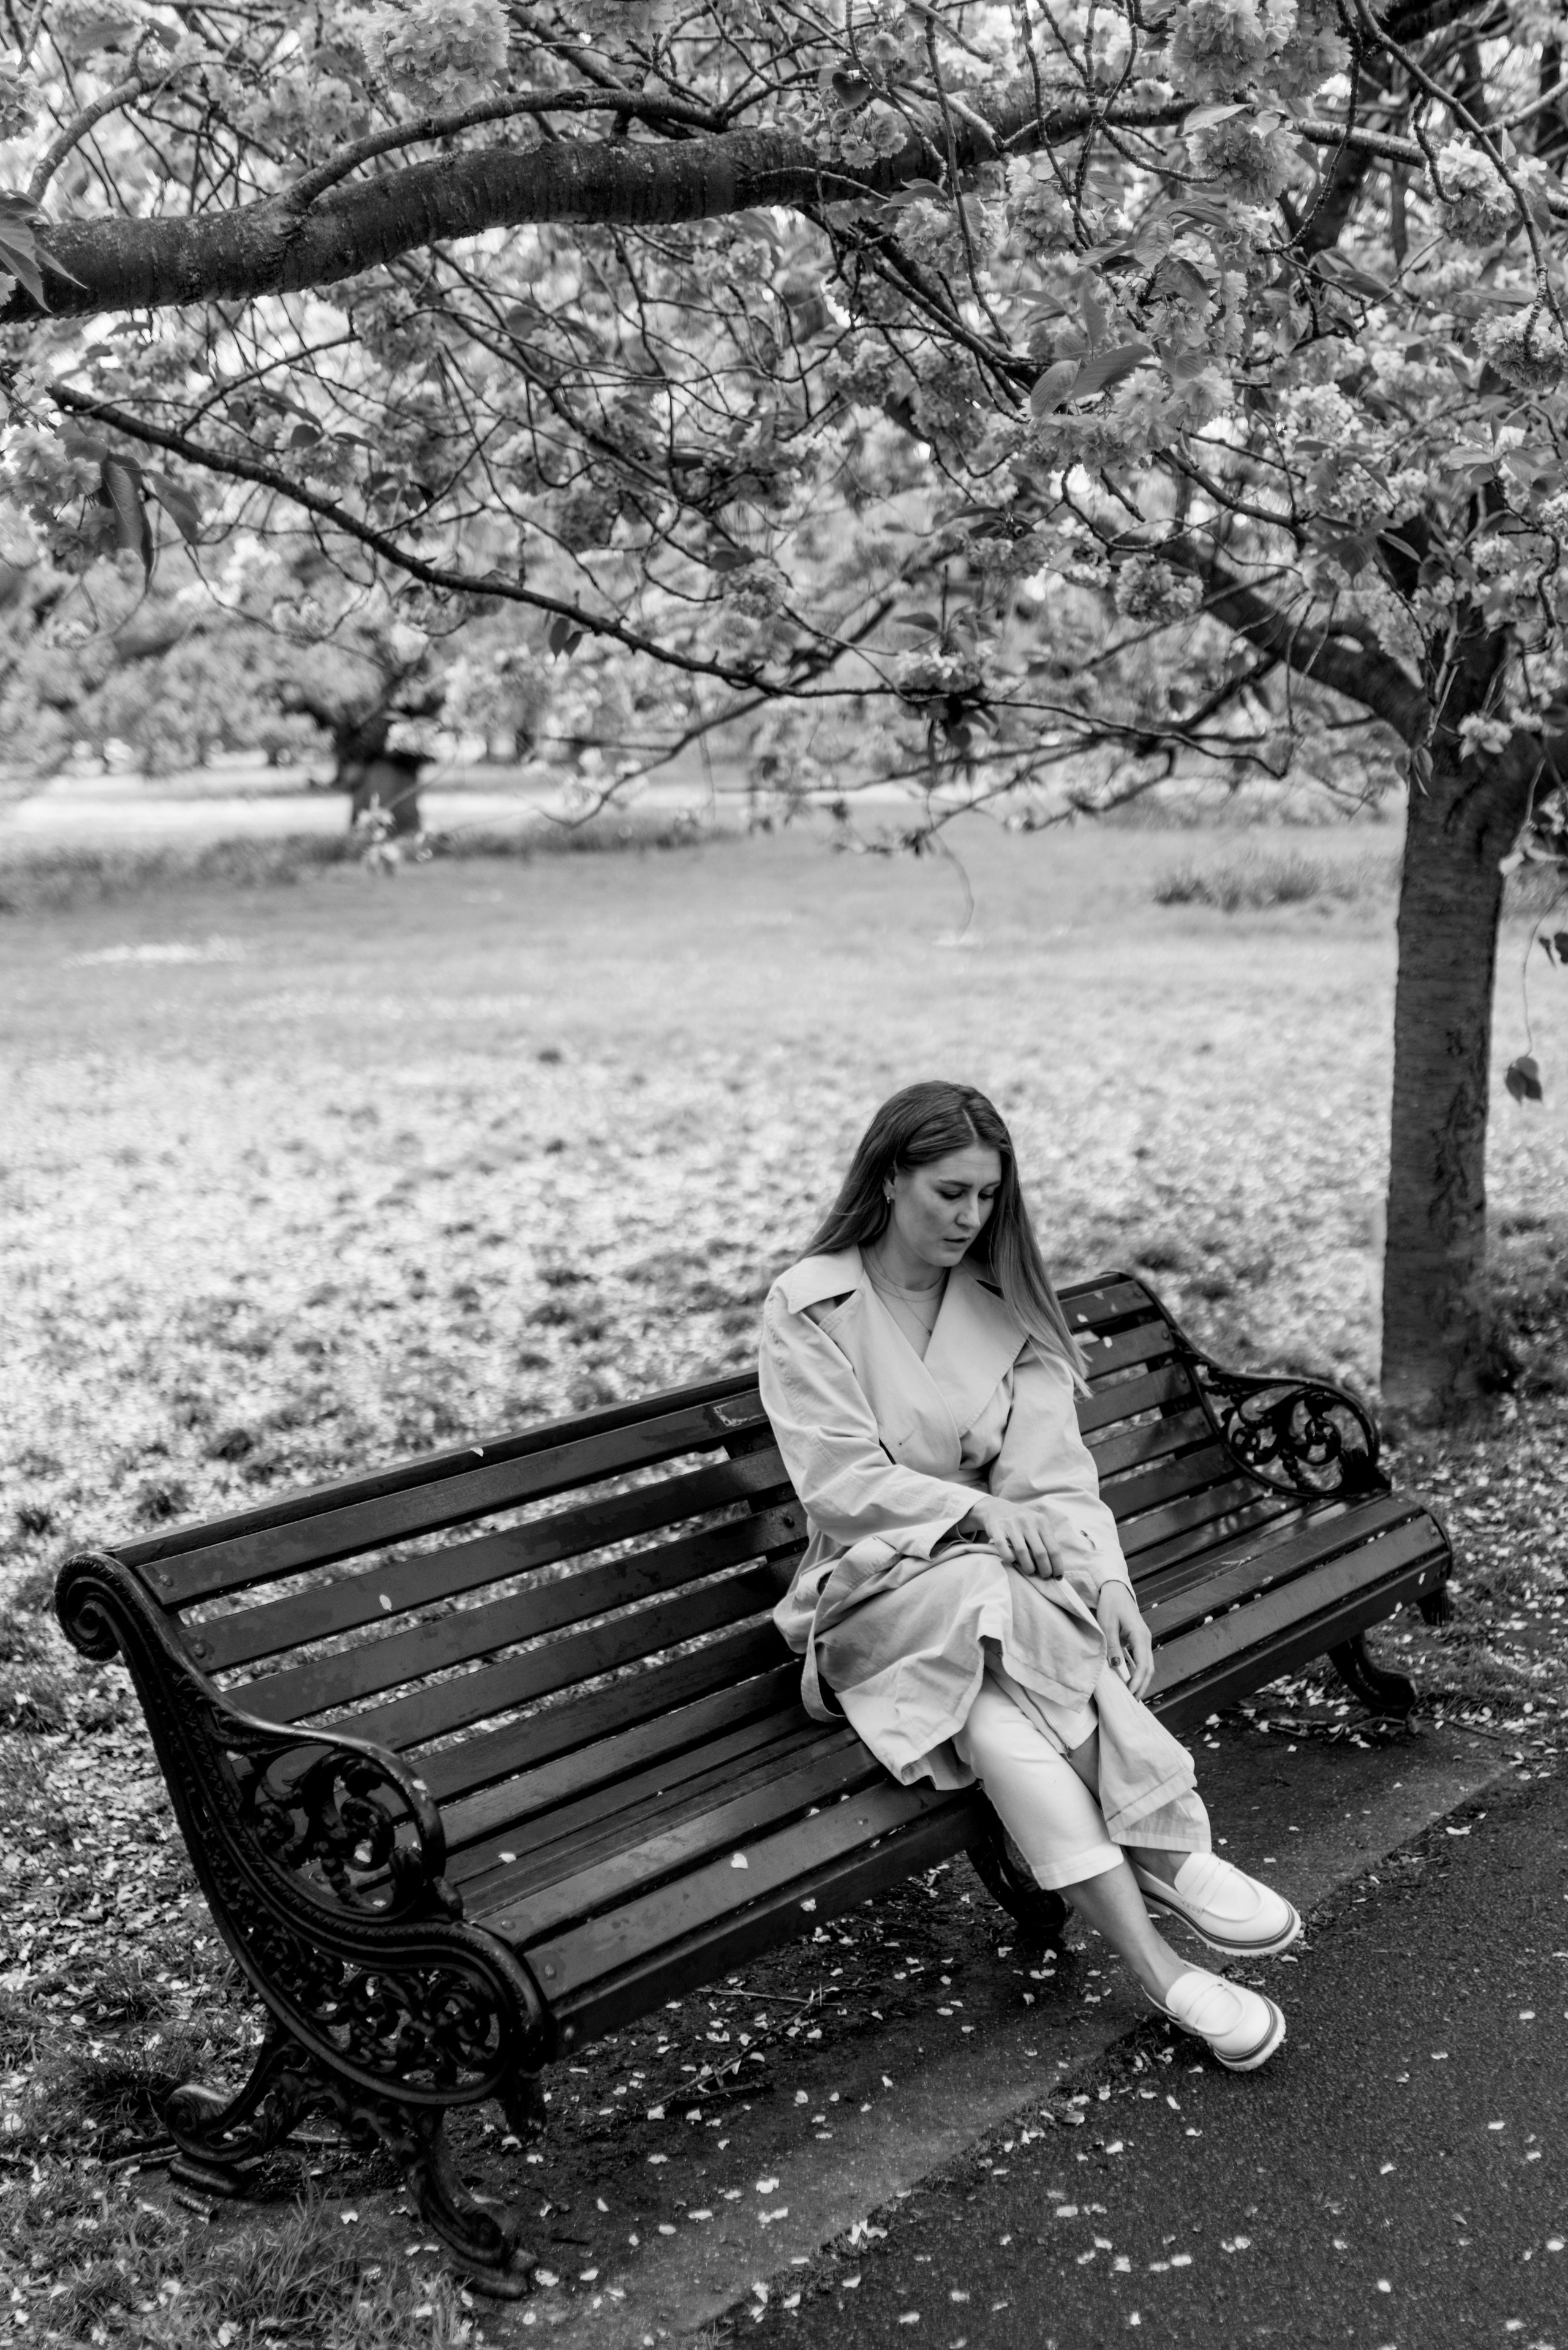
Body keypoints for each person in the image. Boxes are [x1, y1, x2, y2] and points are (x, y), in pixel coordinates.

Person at [758, 1079, 1299, 2071]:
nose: (970, 1216)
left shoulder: (1007, 1309)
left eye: (987, 1195)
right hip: (872, 1594)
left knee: (995, 1713)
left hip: (1006, 1605)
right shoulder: (812, 1304)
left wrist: (1111, 1584)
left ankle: (1162, 1971)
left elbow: (1053, 1479)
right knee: (986, 1593)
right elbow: (840, 1483)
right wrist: (977, 1514)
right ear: (889, 1178)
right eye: (949, 1191)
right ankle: (1168, 1845)